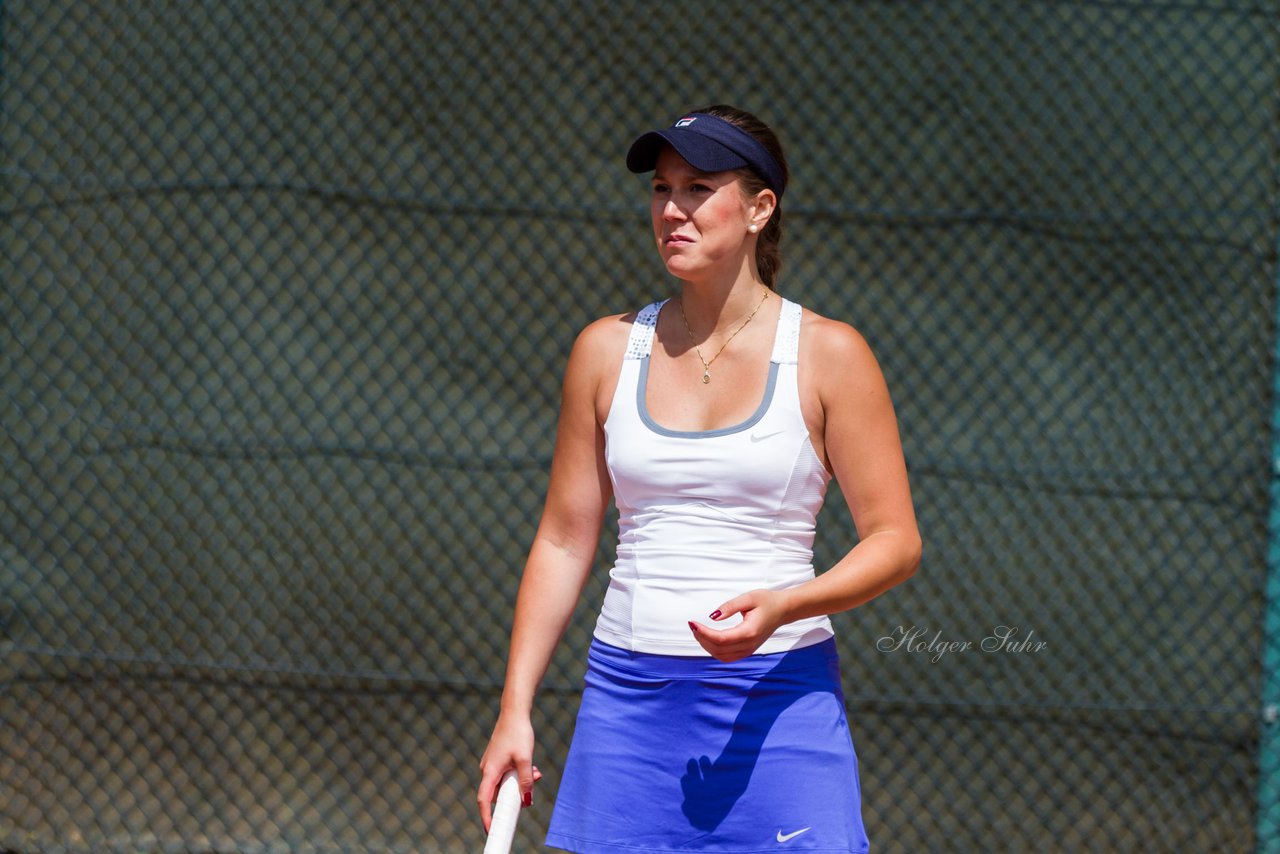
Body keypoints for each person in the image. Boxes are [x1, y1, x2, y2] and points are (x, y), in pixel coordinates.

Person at [477, 104, 921, 853]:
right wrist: (514, 708)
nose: (672, 209)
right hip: (627, 700)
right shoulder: (605, 350)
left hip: (778, 702)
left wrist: (786, 604)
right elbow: (562, 540)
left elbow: (895, 540)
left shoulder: (831, 354)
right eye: (661, 188)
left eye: (698, 187)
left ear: (759, 208)